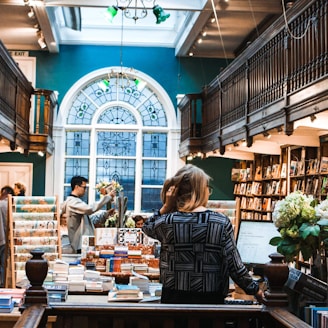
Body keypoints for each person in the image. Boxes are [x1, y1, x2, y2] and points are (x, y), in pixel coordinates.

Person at [142, 164, 264, 304]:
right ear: (201, 191)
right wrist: (255, 291)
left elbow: (147, 226)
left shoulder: (168, 222)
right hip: (210, 304)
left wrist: (166, 206)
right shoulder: (220, 222)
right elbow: (235, 266)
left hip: (173, 303)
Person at [61, 176, 116, 253]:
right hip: (80, 243)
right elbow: (90, 209)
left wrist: (106, 214)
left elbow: (89, 220)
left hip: (84, 242)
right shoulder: (72, 202)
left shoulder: (76, 201)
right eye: (84, 187)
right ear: (77, 186)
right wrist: (107, 197)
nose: (85, 190)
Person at [0, 185, 15, 287]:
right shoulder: (13, 205)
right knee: (6, 264)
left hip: (1, 238)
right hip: (10, 239)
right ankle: (6, 285)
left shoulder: (1, 204)